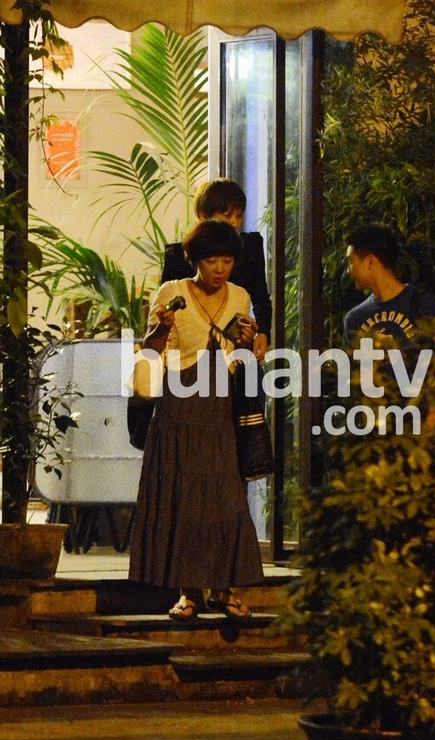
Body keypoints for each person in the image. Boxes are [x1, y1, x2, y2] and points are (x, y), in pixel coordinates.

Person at [129, 220, 264, 620]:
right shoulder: (171, 292)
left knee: (226, 500)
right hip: (179, 404)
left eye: (227, 260)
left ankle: (223, 589)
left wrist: (249, 341)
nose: (219, 268)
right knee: (183, 498)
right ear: (194, 260)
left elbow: (243, 353)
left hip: (220, 404)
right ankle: (188, 594)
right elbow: (151, 348)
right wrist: (161, 326)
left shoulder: (240, 296)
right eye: (211, 261)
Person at [162, 178, 272, 363]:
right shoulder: (180, 255)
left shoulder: (249, 247)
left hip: (236, 344)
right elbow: (169, 309)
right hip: (190, 350)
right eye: (227, 216)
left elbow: (260, 297)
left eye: (239, 216)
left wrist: (263, 332)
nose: (234, 223)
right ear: (202, 215)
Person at [344, 223, 435, 344]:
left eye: (351, 261)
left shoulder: (426, 306)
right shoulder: (355, 319)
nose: (348, 270)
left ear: (369, 262)